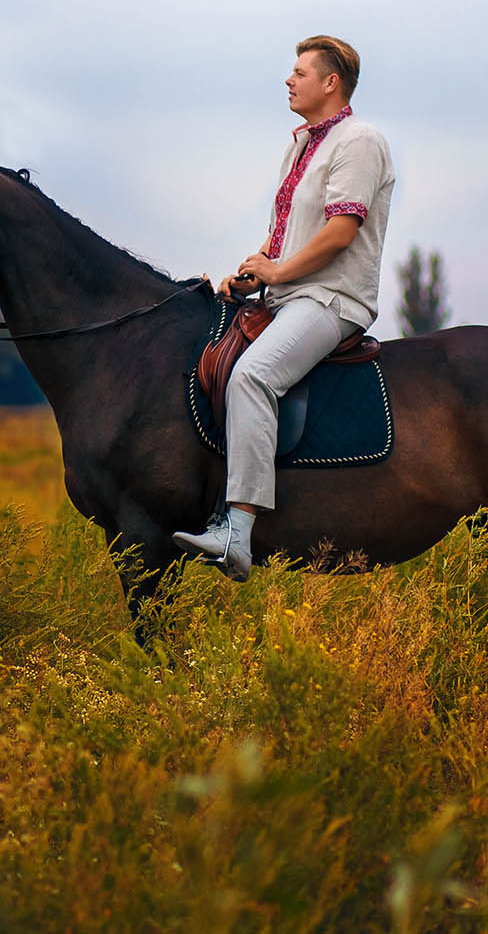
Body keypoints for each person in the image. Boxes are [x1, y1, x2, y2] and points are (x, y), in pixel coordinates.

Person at [172, 35, 394, 580]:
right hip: (289, 295)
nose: (288, 80)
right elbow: (287, 237)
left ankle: (237, 535)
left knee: (251, 377)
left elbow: (341, 232)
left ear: (330, 83)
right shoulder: (299, 146)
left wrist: (278, 272)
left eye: (298, 72)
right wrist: (256, 274)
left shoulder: (359, 140)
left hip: (332, 299)